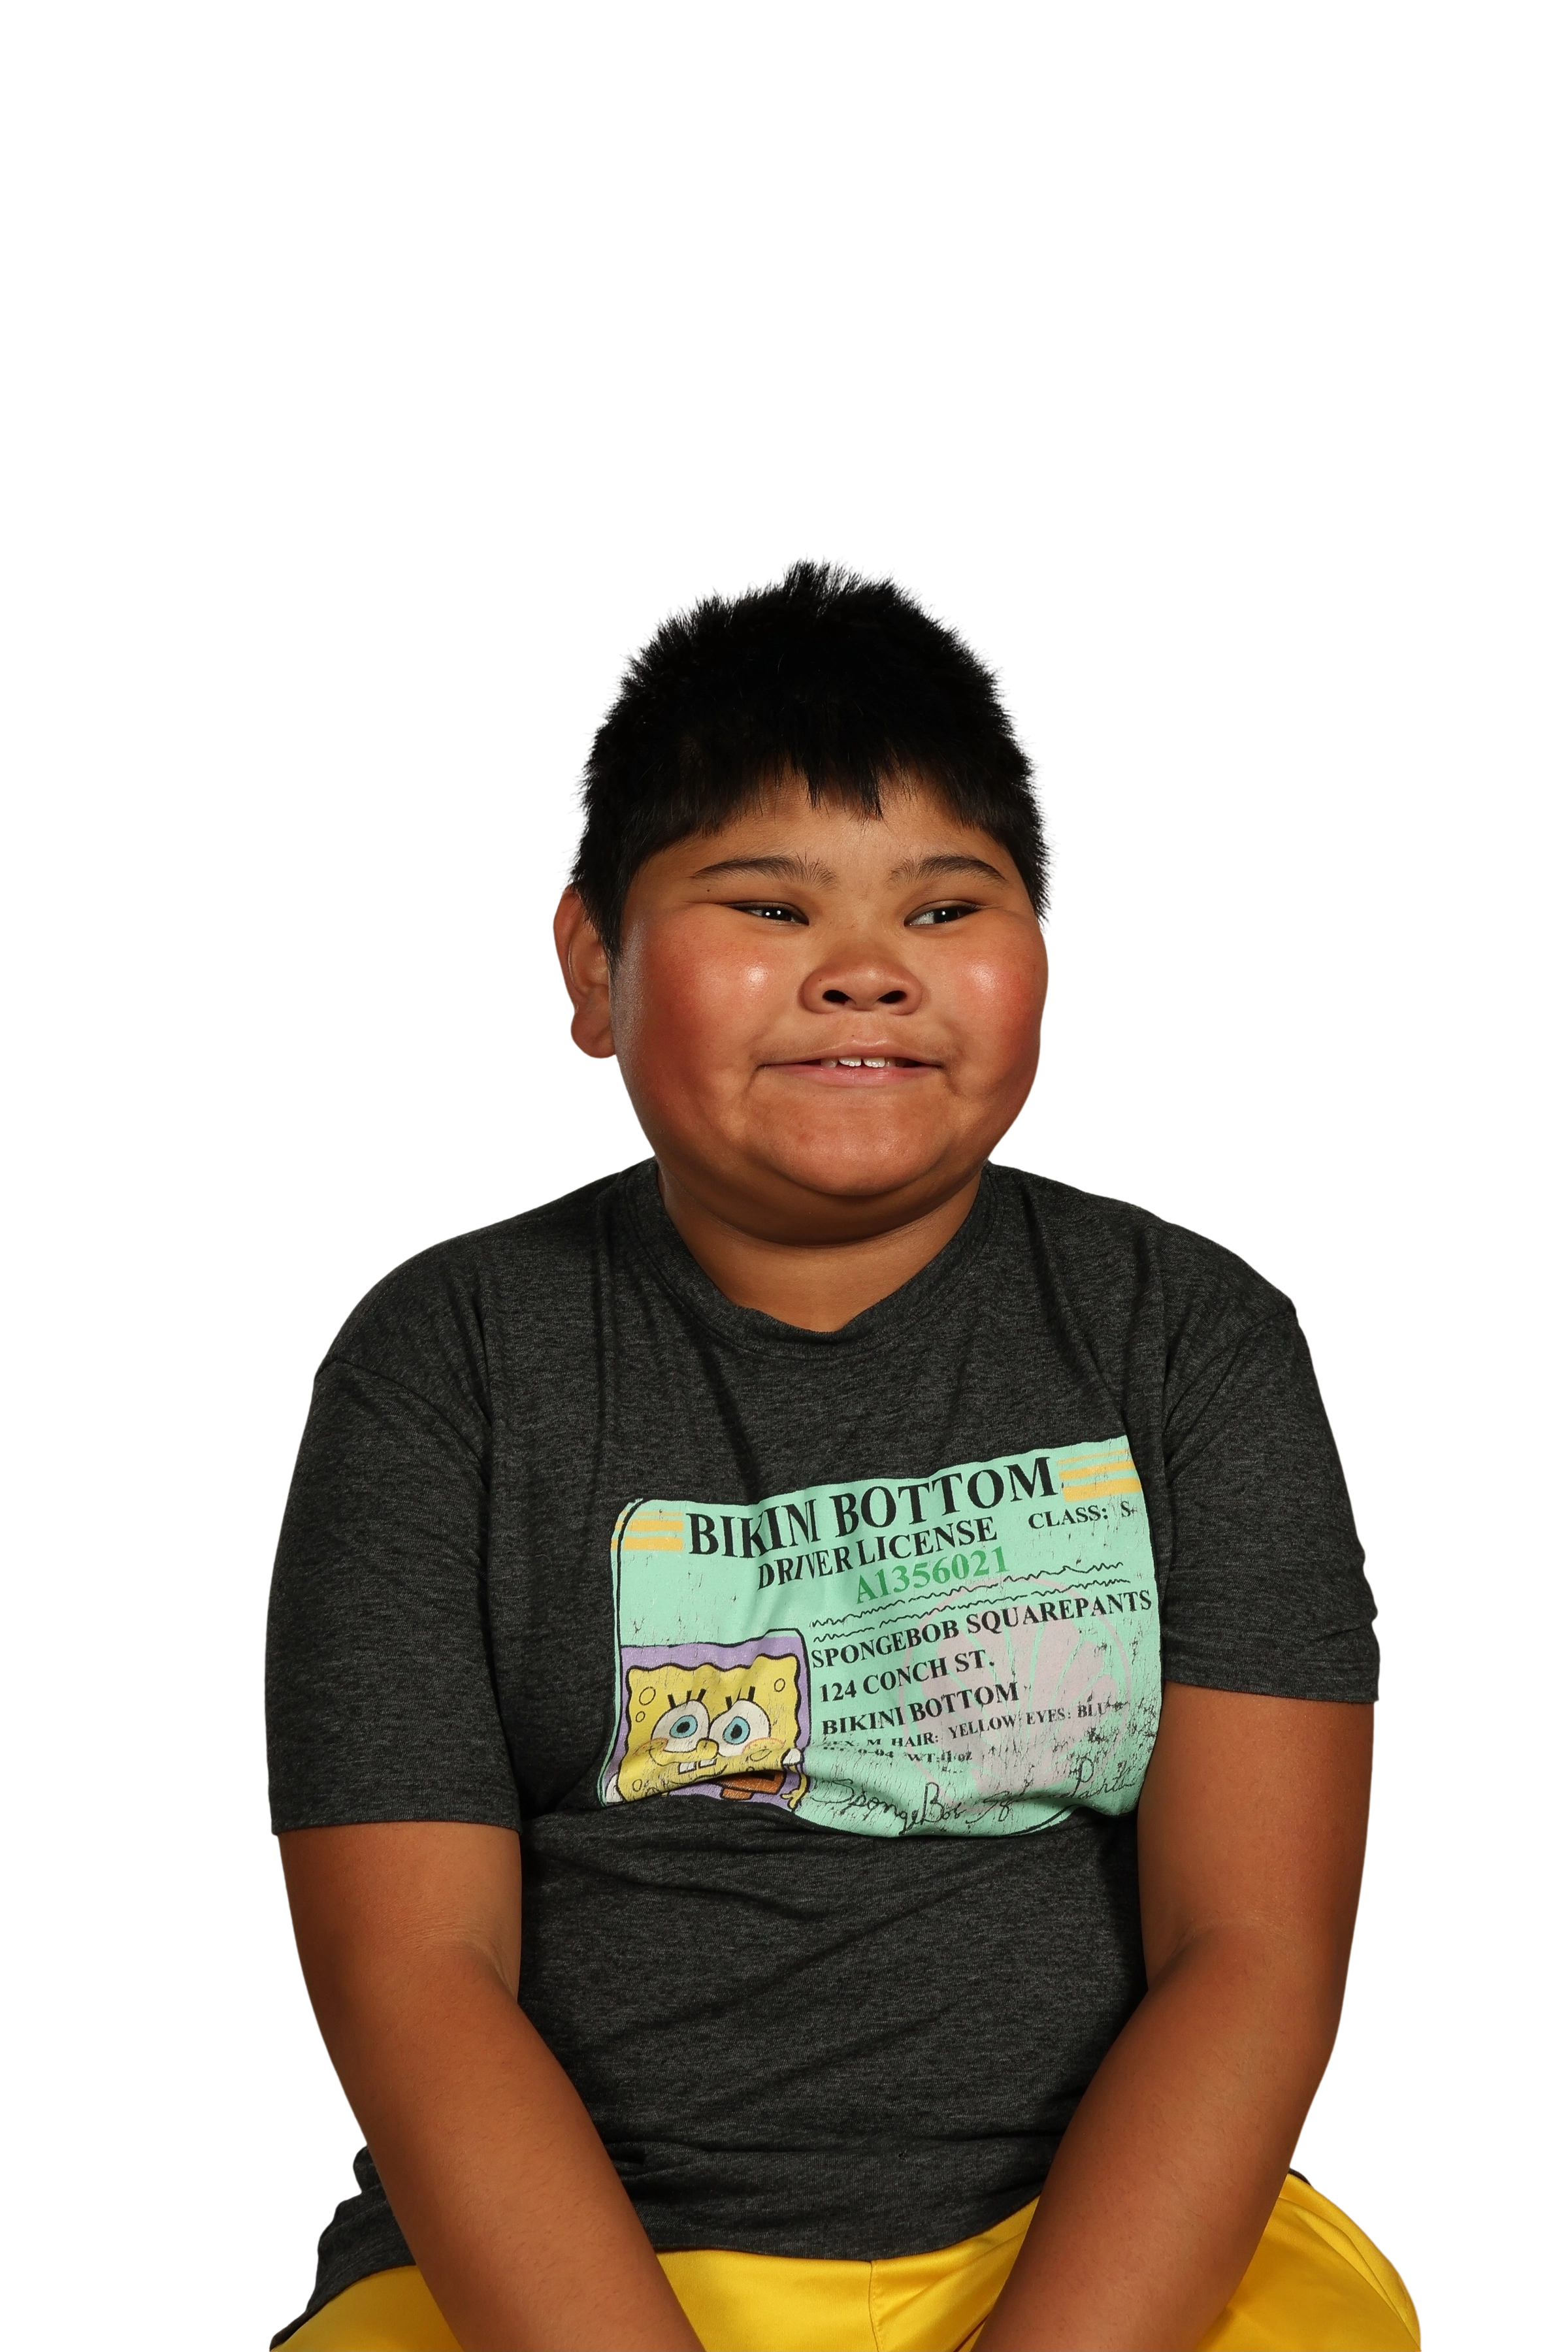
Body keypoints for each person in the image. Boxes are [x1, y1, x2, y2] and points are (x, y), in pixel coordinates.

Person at [261, 553, 1424, 2352]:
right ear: (590, 961)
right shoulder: (443, 1366)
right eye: (770, 905)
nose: (867, 975)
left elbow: (1253, 1954)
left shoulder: (1196, 1337)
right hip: (558, 2277)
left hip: (1101, 2254)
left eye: (947, 907)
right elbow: (412, 1980)